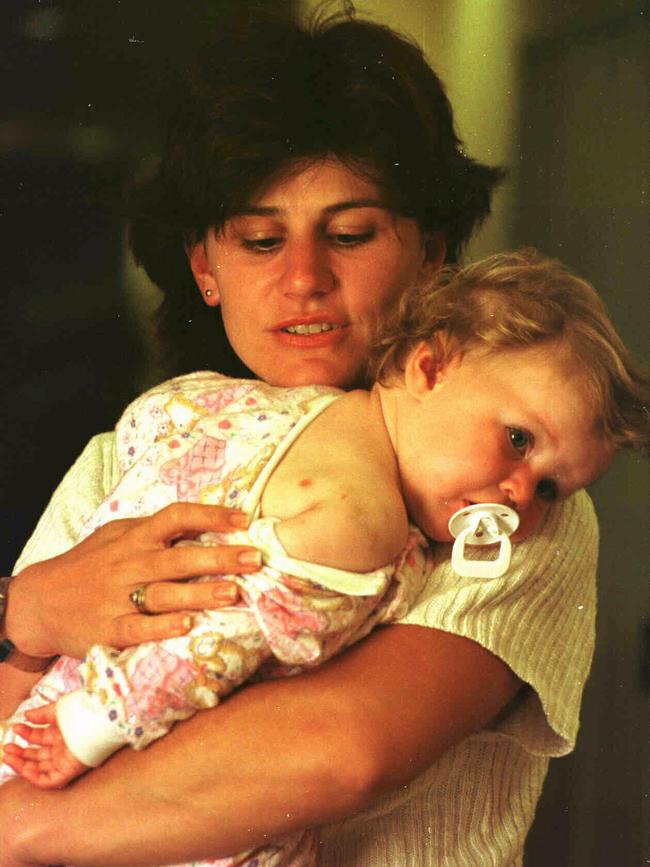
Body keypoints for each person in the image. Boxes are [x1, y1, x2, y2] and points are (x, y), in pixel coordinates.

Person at [1, 10, 645, 867]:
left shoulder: (508, 507)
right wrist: (29, 611)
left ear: (431, 255)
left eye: (350, 233)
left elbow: (341, 749)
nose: (303, 278)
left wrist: (18, 830)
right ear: (205, 268)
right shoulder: (130, 453)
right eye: (261, 240)